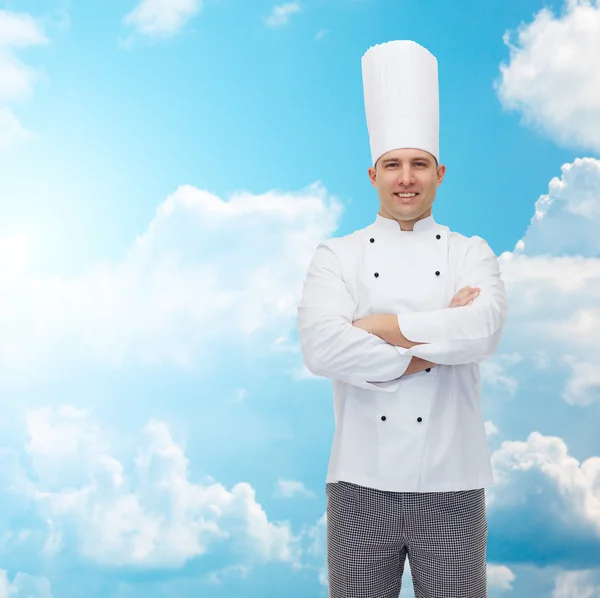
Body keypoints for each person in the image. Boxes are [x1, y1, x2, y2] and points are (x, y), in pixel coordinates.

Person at [296, 40, 508, 598]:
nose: (406, 178)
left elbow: (483, 331)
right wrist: (435, 340)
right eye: (393, 165)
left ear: (440, 173)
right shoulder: (337, 255)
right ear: (372, 174)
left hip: (454, 483)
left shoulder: (471, 250)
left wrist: (379, 327)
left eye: (419, 164)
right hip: (359, 484)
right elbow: (322, 350)